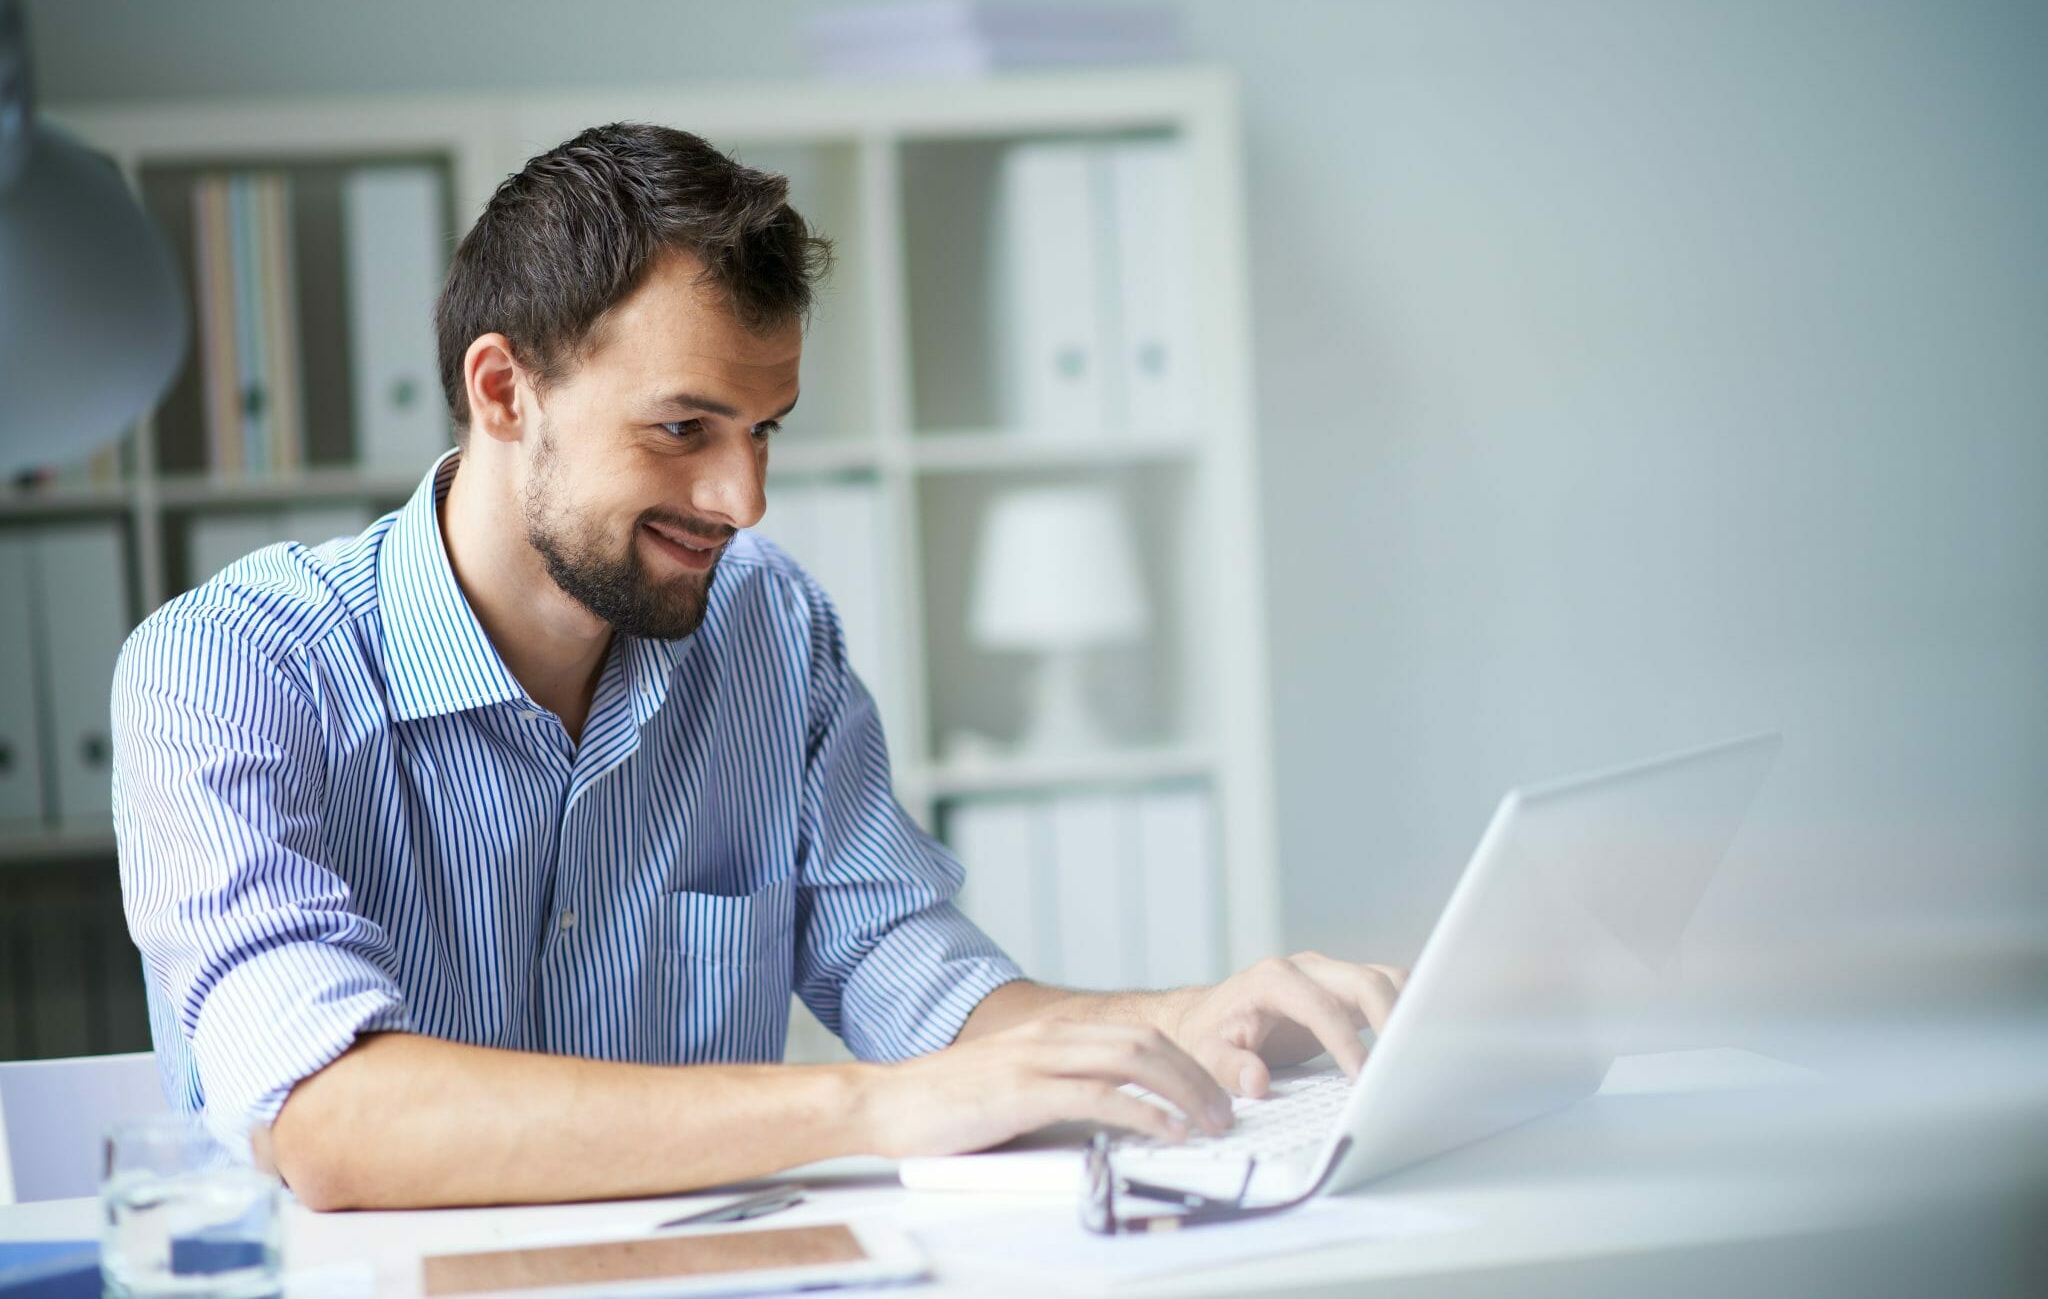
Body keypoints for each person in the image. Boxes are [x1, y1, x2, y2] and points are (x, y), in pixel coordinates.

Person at [112, 122, 1406, 1211]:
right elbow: (331, 1121)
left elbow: (916, 981)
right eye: (683, 428)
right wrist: (870, 1107)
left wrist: (1196, 1018)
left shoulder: (768, 631)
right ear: (504, 393)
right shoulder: (225, 669)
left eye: (764, 431)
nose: (742, 498)